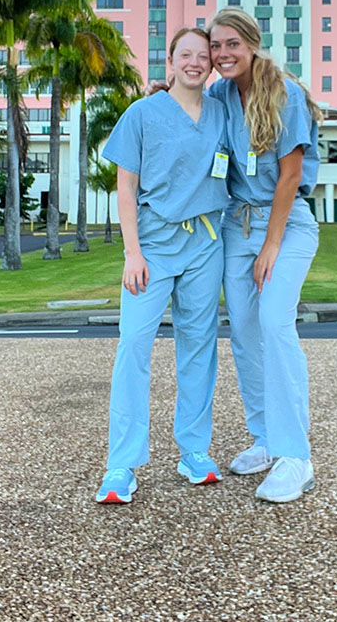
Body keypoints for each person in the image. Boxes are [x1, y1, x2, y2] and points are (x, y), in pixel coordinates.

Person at [95, 27, 230, 505]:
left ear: (212, 63)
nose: (195, 62)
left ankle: (194, 451)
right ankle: (122, 465)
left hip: (204, 247)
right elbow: (125, 188)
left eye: (203, 55)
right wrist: (132, 252)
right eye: (185, 54)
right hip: (151, 248)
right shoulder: (142, 114)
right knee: (133, 345)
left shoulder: (223, 112)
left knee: (199, 349)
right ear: (170, 60)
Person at [207, 7, 322, 503]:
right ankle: (266, 437)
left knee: (275, 323)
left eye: (232, 44)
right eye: (216, 45)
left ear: (252, 43)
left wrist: (271, 244)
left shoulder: (284, 95)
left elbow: (290, 176)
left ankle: (295, 456)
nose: (222, 54)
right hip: (237, 225)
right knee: (245, 335)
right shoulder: (219, 93)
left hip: (286, 224)